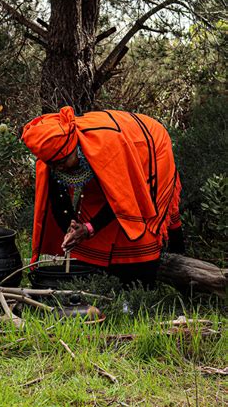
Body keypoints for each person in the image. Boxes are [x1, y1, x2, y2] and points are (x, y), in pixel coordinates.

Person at [22, 106, 185, 288]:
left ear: (76, 149)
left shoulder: (106, 149)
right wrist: (72, 225)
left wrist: (90, 228)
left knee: (140, 221)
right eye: (52, 165)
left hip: (146, 146)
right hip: (113, 150)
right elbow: (58, 195)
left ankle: (174, 268)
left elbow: (124, 197)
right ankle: (98, 266)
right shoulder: (54, 154)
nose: (58, 168)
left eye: (61, 163)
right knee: (92, 204)